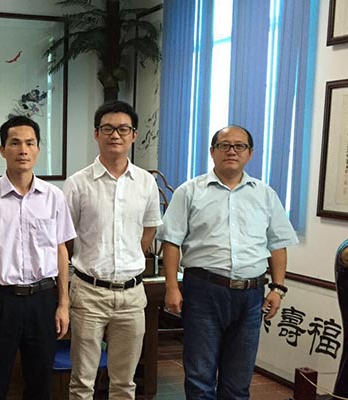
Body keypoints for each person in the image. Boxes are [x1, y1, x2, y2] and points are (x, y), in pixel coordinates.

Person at [156, 125, 298, 400]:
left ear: (250, 153)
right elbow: (171, 242)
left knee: (239, 380)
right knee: (200, 376)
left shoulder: (265, 194)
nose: (232, 151)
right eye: (224, 145)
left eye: (239, 146)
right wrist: (171, 286)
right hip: (203, 291)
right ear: (212, 152)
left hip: (251, 296)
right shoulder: (190, 191)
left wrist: (278, 288)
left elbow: (277, 244)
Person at [0, 115, 76, 399]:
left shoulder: (54, 196)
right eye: (15, 143)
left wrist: (63, 304)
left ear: (38, 149)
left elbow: (61, 249)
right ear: (2, 150)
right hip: (0, 301)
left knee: (40, 384)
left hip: (43, 300)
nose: (23, 150)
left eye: (29, 143)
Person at [62, 100, 162, 399]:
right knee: (82, 382)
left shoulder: (146, 182)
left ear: (134, 135)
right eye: (107, 128)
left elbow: (149, 228)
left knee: (124, 383)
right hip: (89, 293)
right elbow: (65, 237)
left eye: (123, 129)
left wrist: (131, 256)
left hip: (132, 295)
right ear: (96, 134)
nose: (115, 135)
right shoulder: (77, 183)